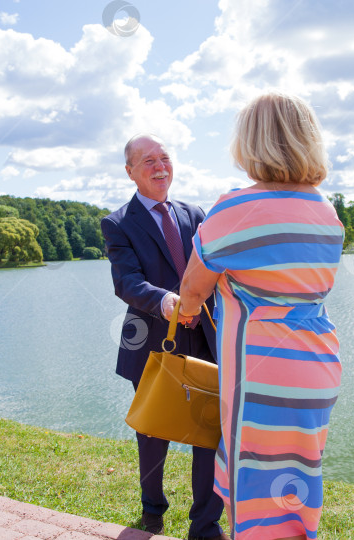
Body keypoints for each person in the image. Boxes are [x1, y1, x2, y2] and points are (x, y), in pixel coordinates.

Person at [177, 92, 345, 540]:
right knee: (295, 487)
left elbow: (193, 288)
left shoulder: (237, 207)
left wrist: (187, 311)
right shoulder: (326, 211)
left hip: (263, 372)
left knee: (256, 495)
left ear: (251, 142)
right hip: (318, 365)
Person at [100, 134, 228, 540]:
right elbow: (126, 282)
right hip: (155, 339)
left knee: (210, 431)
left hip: (205, 339)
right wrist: (166, 301)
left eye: (165, 158)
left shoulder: (196, 213)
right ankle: (152, 510)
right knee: (153, 430)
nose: (160, 167)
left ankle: (205, 524)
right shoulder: (118, 223)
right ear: (130, 172)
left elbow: (215, 269)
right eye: (149, 160)